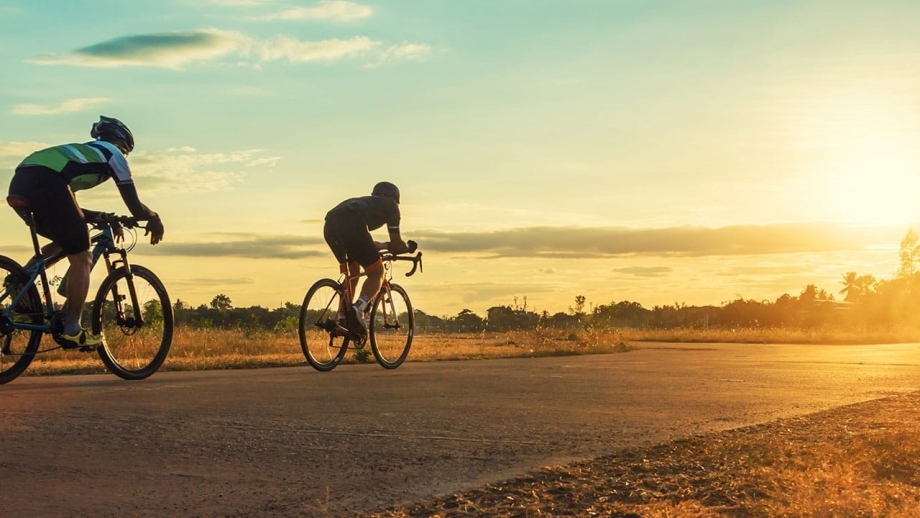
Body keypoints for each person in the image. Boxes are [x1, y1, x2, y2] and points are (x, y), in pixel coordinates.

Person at [7, 116, 164, 349]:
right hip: (48, 182)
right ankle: (72, 327)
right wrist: (154, 218)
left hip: (22, 180)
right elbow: (135, 206)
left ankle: (20, 279)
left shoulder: (80, 154)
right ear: (123, 143)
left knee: (67, 241)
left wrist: (100, 216)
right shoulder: (113, 154)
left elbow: (67, 205)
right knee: (83, 256)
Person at [323, 181, 409, 337]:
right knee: (377, 272)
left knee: (353, 272)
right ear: (395, 198)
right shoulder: (392, 208)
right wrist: (406, 248)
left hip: (330, 225)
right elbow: (397, 243)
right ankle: (358, 308)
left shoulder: (365, 203)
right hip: (354, 225)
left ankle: (343, 317)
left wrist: (385, 245)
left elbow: (366, 242)